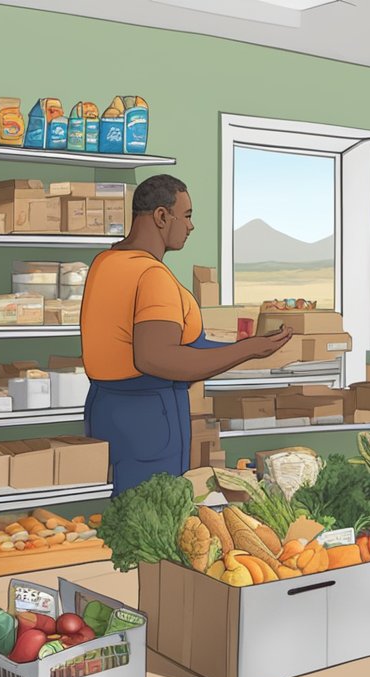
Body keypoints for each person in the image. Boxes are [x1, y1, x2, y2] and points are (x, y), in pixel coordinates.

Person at [81, 174, 294, 496]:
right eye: (188, 216)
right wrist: (247, 349)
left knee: (124, 514)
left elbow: (180, 346)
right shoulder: (152, 275)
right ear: (162, 216)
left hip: (106, 408)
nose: (191, 226)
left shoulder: (106, 263)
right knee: (158, 515)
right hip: (149, 416)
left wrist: (250, 348)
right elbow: (157, 357)